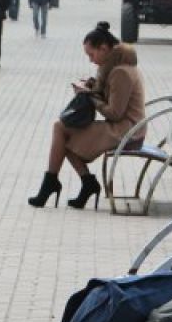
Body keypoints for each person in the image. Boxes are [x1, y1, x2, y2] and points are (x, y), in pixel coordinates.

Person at [28, 22, 144, 209]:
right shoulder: (113, 67)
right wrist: (92, 86)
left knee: (62, 131)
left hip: (127, 130)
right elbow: (110, 97)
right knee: (61, 130)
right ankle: (78, 183)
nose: (91, 60)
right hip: (123, 126)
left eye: (92, 54)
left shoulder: (120, 72)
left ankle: (59, 183)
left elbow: (115, 113)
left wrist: (89, 97)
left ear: (104, 48)